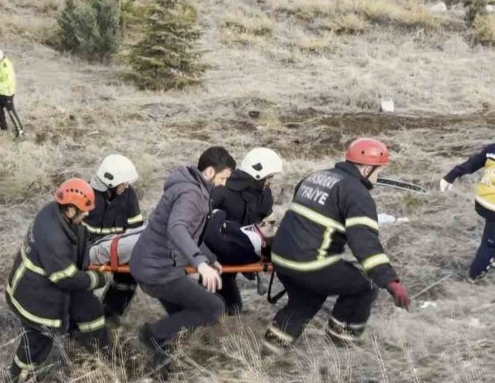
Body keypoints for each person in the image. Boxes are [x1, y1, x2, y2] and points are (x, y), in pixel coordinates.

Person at [262, 138, 411, 357]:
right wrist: (390, 281)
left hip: (282, 257)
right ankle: (343, 342)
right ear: (368, 168)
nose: (378, 178)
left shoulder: (315, 177)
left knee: (305, 301)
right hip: (310, 262)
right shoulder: (357, 194)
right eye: (378, 171)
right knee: (365, 286)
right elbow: (365, 244)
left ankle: (268, 354)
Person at [130, 146, 236, 374]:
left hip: (154, 265)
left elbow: (191, 231)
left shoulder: (193, 188)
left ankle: (160, 358)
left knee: (188, 313)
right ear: (209, 172)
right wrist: (200, 264)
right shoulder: (191, 194)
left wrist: (210, 258)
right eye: (223, 178)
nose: (224, 185)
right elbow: (177, 228)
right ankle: (152, 335)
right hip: (157, 270)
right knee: (214, 306)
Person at [5, 179, 110, 383]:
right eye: (84, 210)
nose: (87, 214)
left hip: (46, 288)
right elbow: (66, 277)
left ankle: (97, 351)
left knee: (90, 309)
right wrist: (97, 279)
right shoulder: (54, 238)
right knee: (36, 344)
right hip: (36, 299)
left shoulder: (54, 212)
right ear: (70, 210)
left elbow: (78, 241)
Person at [205, 147, 283, 315]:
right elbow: (198, 225)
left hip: (235, 256)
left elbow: (266, 227)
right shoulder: (221, 189)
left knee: (232, 309)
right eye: (269, 177)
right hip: (212, 260)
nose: (271, 182)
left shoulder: (265, 195)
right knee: (227, 308)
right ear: (257, 175)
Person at [84, 154, 145, 323]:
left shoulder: (129, 195)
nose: (126, 186)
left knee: (131, 273)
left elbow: (135, 229)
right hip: (88, 251)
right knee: (80, 283)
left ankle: (111, 313)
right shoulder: (86, 195)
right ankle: (78, 320)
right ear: (110, 181)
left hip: (116, 248)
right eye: (123, 182)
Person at [440, 142, 495, 282]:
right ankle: (474, 276)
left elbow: (473, 163)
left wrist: (451, 175)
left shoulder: (492, 149)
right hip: (492, 206)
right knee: (489, 245)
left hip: (483, 201)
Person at [0, 48, 24, 139]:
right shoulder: (2, 63)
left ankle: (20, 131)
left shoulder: (6, 66)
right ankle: (3, 126)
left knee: (11, 112)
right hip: (2, 93)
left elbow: (9, 81)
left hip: (7, 93)